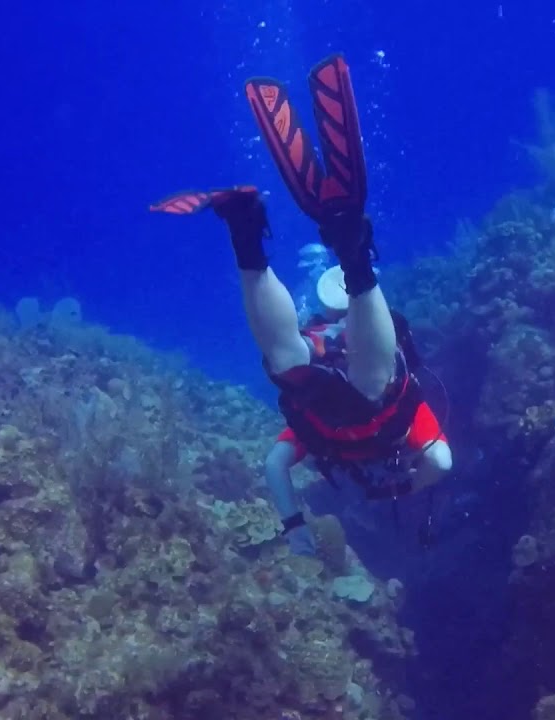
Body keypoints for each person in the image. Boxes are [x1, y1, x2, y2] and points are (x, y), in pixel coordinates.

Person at [150, 53, 453, 555]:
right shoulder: (399, 426)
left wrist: (296, 526)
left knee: (292, 360)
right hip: (354, 377)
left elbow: (276, 463)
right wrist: (399, 489)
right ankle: (343, 252)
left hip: (331, 370)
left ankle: (249, 229)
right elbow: (440, 462)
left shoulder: (320, 436)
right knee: (336, 376)